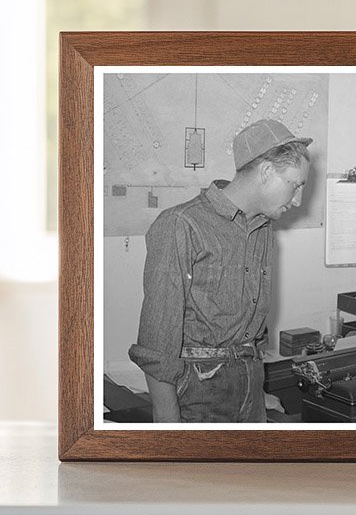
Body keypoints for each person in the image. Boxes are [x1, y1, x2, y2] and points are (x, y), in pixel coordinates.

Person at [129, 119, 312, 423]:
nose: (298, 200)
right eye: (296, 185)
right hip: (196, 397)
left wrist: (254, 393)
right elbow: (156, 346)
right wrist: (168, 429)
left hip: (249, 393)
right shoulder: (180, 225)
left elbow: (250, 332)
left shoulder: (263, 229)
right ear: (267, 171)